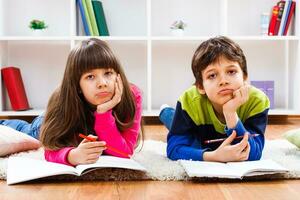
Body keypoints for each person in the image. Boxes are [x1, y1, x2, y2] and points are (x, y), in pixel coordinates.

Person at [1, 38, 143, 166]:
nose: (102, 83)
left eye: (108, 73)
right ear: (77, 85)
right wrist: (72, 156)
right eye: (90, 76)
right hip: (50, 122)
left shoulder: (132, 95)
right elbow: (51, 149)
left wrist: (103, 113)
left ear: (118, 75)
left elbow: (125, 153)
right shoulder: (62, 100)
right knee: (28, 131)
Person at [159, 36, 270, 162]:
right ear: (200, 86)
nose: (223, 81)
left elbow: (254, 153)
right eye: (212, 75)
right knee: (174, 121)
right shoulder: (188, 101)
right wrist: (213, 156)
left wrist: (230, 113)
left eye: (231, 72)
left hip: (218, 129)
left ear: (245, 78)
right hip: (196, 132)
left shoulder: (258, 101)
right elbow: (174, 149)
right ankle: (165, 111)